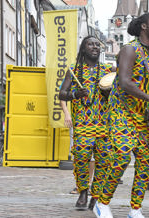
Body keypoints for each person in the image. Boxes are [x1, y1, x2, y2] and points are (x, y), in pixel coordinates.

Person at [93, 13, 149, 218]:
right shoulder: (129, 49)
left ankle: (135, 209)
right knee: (122, 156)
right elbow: (124, 82)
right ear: (144, 26)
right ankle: (102, 203)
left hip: (143, 115)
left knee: (144, 161)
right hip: (122, 111)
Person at [59, 36, 113, 210]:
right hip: (82, 125)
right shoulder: (74, 70)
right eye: (90, 44)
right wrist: (75, 95)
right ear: (83, 49)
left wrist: (108, 94)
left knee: (103, 160)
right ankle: (83, 191)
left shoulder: (108, 70)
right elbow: (62, 94)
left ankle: (96, 195)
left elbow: (119, 94)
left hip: (104, 125)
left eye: (97, 44)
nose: (95, 47)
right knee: (81, 159)